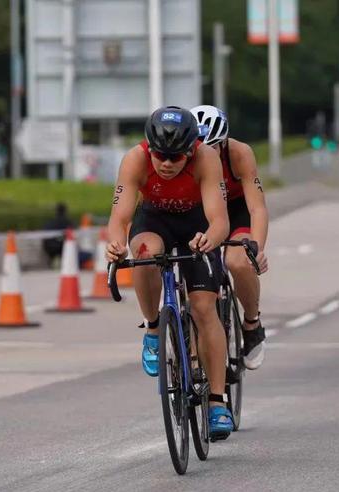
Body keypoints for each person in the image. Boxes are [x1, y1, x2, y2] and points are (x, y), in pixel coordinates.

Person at [106, 106, 235, 438]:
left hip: (197, 224)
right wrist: (116, 245)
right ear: (149, 148)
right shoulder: (135, 160)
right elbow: (120, 218)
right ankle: (152, 329)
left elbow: (220, 220)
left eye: (175, 157)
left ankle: (218, 403)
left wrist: (210, 239)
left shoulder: (206, 159)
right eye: (160, 155)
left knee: (205, 308)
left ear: (191, 149)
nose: (166, 163)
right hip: (155, 221)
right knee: (146, 252)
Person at [191, 105, 269, 370]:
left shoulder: (239, 154)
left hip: (235, 212)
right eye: (199, 148)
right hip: (204, 212)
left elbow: (257, 208)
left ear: (223, 143)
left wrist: (256, 249)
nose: (205, 155)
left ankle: (251, 323)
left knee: (238, 261)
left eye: (212, 148)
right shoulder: (185, 156)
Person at [42, 202, 91, 268]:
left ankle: (58, 261)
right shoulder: (67, 222)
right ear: (65, 211)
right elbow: (72, 233)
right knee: (87, 255)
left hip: (49, 248)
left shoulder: (51, 222)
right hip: (61, 248)